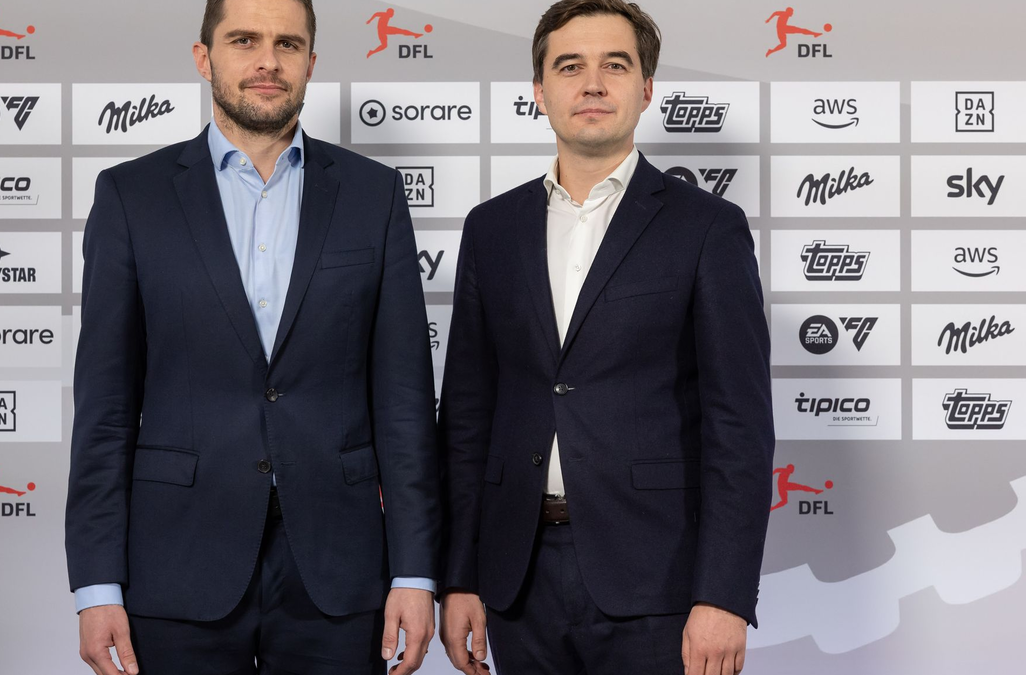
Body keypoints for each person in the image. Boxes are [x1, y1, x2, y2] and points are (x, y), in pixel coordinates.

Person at [65, 1, 439, 673]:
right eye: (244, 40)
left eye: (287, 44)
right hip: (177, 565)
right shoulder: (132, 197)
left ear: (310, 64)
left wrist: (414, 573)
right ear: (204, 57)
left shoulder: (373, 195)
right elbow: (105, 409)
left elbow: (405, 404)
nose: (268, 60)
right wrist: (96, 585)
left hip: (339, 567)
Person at [437, 2, 774, 674]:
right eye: (570, 66)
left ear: (646, 89)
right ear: (540, 92)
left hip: (660, 584)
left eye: (614, 65)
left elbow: (739, 427)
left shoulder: (707, 228)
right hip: (516, 581)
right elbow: (469, 417)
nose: (591, 83)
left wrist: (724, 595)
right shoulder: (491, 229)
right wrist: (460, 575)